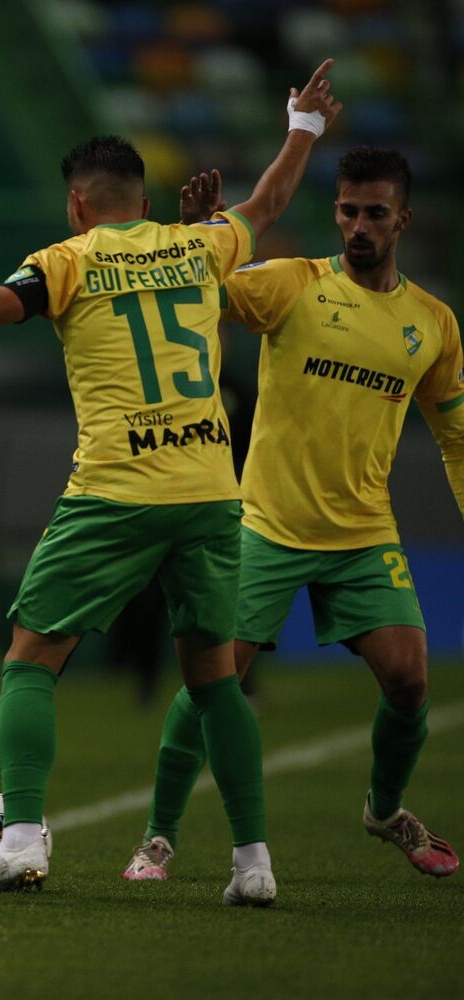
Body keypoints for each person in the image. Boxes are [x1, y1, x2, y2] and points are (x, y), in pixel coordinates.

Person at [0, 62, 342, 905]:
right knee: (215, 680)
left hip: (116, 491)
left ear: (78, 204)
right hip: (209, 492)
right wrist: (304, 126)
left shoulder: (67, 261)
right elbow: (267, 203)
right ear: (142, 199)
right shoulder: (201, 243)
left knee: (31, 661)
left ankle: (20, 840)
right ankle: (254, 863)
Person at [121, 146, 462, 883]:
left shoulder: (433, 323)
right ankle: (158, 836)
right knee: (211, 684)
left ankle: (384, 809)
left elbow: (456, 435)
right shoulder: (294, 283)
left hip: (363, 533)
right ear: (335, 211)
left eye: (375, 213)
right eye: (348, 210)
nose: (359, 225)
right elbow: (201, 288)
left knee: (410, 681)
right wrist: (198, 234)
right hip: (266, 525)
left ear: (403, 219)